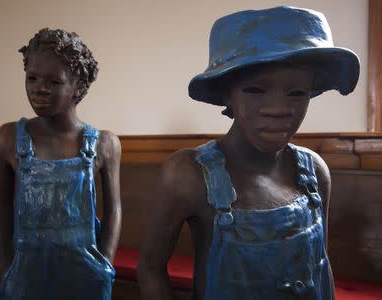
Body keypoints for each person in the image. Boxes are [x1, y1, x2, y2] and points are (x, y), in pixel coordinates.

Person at [138, 6, 359, 299]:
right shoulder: (190, 174)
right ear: (226, 92)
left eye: (297, 93)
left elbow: (321, 264)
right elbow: (150, 269)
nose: (279, 109)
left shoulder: (315, 173)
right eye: (255, 89)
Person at [0, 28, 121, 300]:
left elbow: (114, 209)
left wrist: (105, 263)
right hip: (26, 275)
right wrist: (5, 270)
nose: (40, 88)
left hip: (86, 276)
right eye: (32, 78)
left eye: (54, 82)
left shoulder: (104, 144)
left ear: (78, 86)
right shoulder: (8, 138)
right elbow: (1, 206)